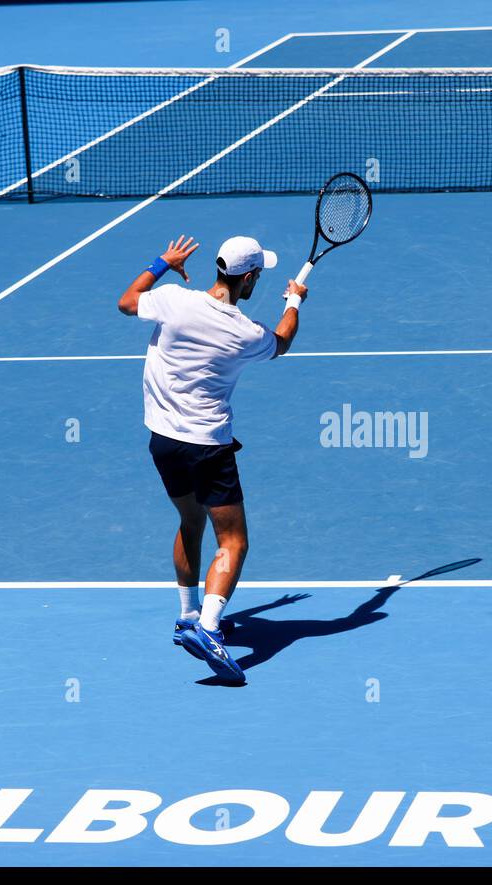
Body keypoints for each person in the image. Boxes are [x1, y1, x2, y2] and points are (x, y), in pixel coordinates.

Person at [118, 235, 307, 684]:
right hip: (208, 447)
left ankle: (187, 616)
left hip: (162, 441)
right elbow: (282, 341)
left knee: (190, 523)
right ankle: (207, 629)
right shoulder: (246, 333)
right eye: (257, 274)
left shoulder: (171, 301)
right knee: (234, 542)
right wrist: (294, 301)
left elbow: (127, 302)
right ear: (248, 278)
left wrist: (162, 261)